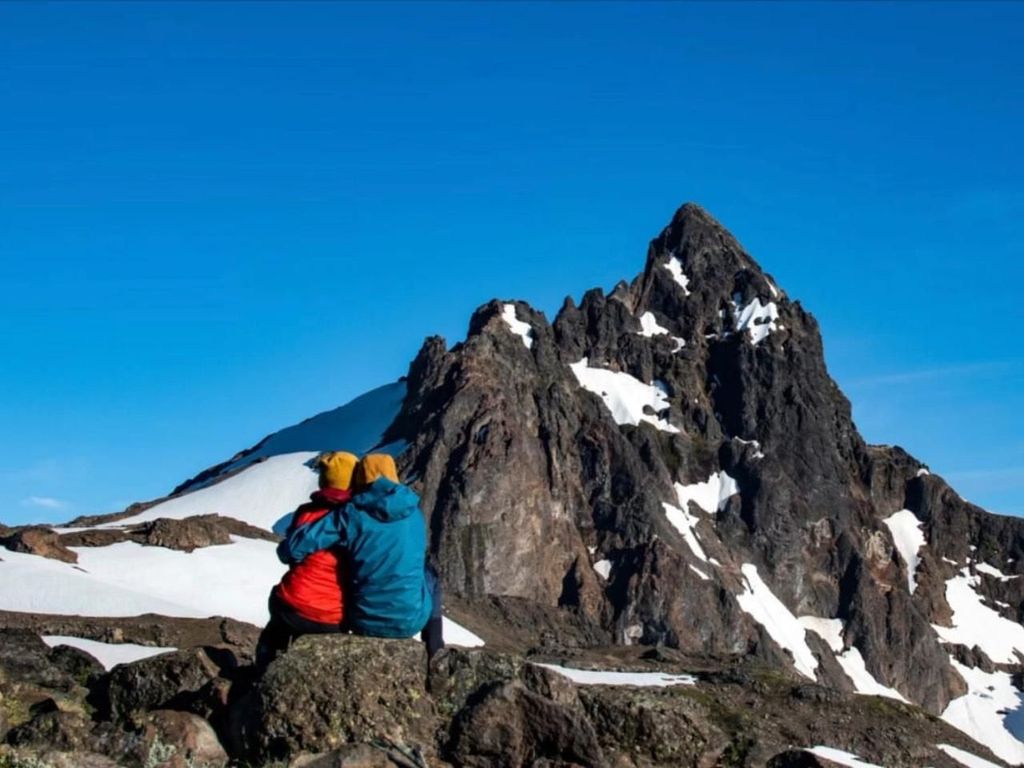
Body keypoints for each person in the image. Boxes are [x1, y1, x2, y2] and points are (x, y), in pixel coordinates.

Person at [278, 453, 444, 658]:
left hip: (364, 621)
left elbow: (297, 547)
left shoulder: (351, 513)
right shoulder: (413, 512)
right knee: (429, 574)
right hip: (411, 622)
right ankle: (435, 647)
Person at [255, 451, 356, 668]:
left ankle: (263, 670)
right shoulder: (359, 518)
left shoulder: (305, 514)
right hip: (334, 617)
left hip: (292, 604)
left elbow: (288, 554)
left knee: (275, 628)